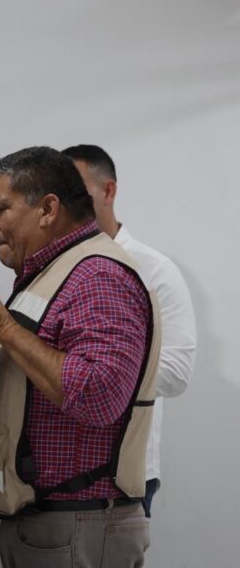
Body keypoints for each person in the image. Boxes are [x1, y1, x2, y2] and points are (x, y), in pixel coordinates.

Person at [0, 146, 160, 568]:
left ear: (48, 209)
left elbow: (100, 396)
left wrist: (3, 326)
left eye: (1, 208)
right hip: (56, 525)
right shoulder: (60, 271)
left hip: (77, 526)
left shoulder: (98, 276)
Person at [62, 144, 197, 517]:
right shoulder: (51, 268)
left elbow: (177, 373)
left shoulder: (154, 271)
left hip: (122, 473)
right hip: (55, 470)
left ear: (108, 191)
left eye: (78, 192)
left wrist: (94, 371)